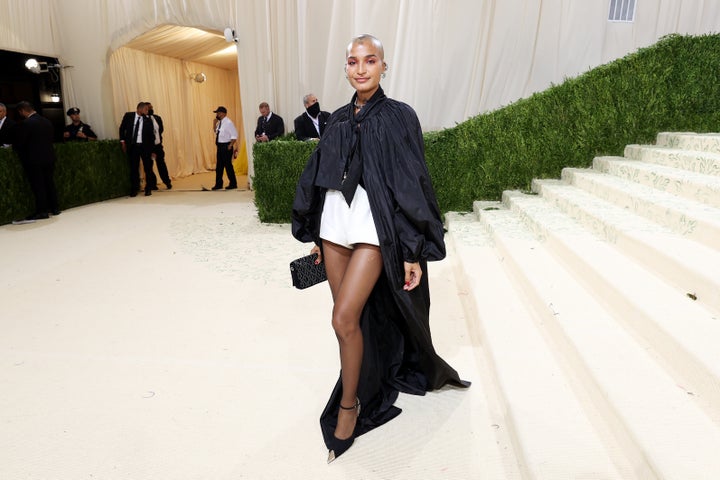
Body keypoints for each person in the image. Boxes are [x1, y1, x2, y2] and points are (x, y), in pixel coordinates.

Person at [292, 34, 469, 463]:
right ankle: (364, 383)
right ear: (346, 68)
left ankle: (349, 406)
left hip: (375, 228)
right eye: (353, 62)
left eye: (370, 61)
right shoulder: (334, 120)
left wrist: (412, 249)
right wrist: (316, 233)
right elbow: (320, 175)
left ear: (383, 66)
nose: (361, 68)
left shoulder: (399, 116)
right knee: (351, 325)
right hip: (335, 224)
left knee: (343, 316)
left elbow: (412, 182)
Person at [12, 101, 59, 223]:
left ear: (22, 111)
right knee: (49, 183)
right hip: (49, 157)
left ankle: (42, 211)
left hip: (34, 159)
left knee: (38, 185)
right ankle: (55, 208)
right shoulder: (47, 121)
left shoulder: (27, 123)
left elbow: (20, 143)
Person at [119, 102, 157, 196]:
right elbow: (122, 128)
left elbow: (152, 136)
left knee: (148, 168)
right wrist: (123, 141)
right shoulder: (128, 116)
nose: (147, 112)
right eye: (146, 110)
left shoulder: (148, 120)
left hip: (145, 148)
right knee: (134, 168)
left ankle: (148, 188)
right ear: (140, 109)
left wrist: (153, 150)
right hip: (133, 147)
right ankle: (134, 189)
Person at [211, 106, 238, 190]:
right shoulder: (220, 122)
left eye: (218, 113)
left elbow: (234, 135)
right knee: (219, 167)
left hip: (226, 146)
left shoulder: (228, 123)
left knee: (228, 166)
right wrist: (214, 123)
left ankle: (233, 183)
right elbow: (216, 132)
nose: (217, 114)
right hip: (220, 147)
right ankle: (218, 184)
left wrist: (230, 145)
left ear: (223, 113)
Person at [146, 102, 172, 190]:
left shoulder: (157, 118)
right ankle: (153, 184)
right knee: (149, 166)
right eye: (149, 108)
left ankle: (167, 182)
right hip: (149, 147)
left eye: (152, 107)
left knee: (161, 164)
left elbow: (161, 130)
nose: (151, 109)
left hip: (158, 146)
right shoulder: (143, 119)